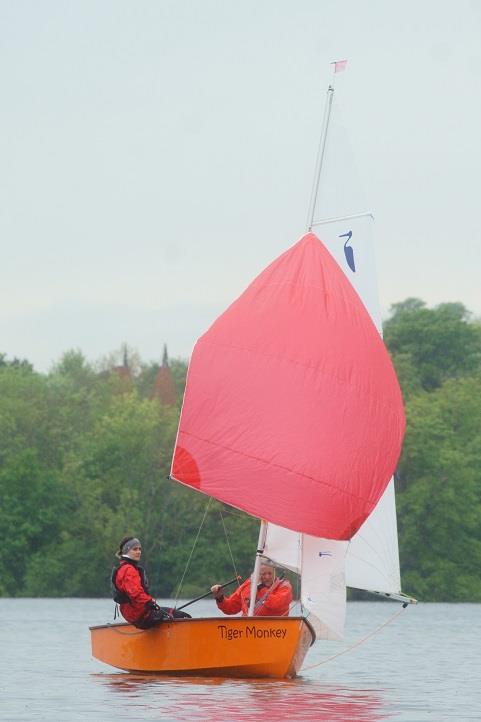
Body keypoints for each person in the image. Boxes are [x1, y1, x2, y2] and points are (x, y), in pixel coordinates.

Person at [112, 536, 190, 628]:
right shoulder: (128, 570)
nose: (139, 552)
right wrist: (150, 603)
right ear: (126, 551)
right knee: (184, 617)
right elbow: (135, 593)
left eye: (140, 549)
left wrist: (151, 604)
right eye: (135, 549)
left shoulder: (124, 568)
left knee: (169, 613)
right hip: (140, 614)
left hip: (134, 614)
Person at [211, 560, 292, 617]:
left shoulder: (284, 586)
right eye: (263, 574)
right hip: (248, 631)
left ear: (275, 573)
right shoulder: (248, 585)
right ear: (256, 574)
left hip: (275, 632)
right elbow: (230, 608)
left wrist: (261, 588)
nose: (267, 577)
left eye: (270, 573)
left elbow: (276, 605)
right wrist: (220, 598)